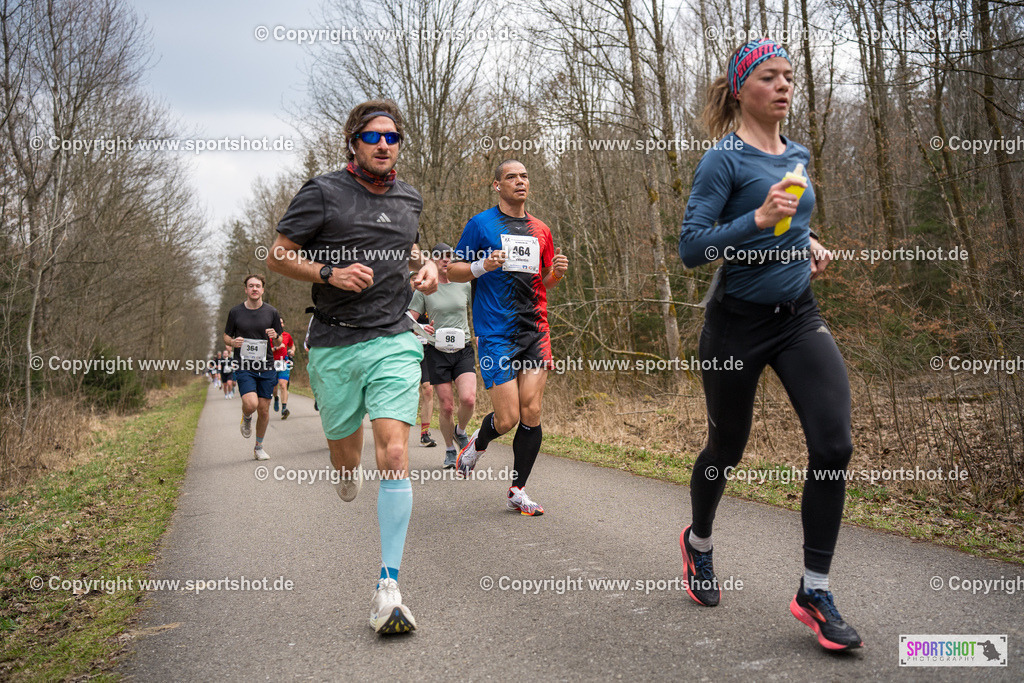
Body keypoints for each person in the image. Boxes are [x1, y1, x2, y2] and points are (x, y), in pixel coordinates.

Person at [677, 39, 862, 651]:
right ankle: (698, 540)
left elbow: (792, 212)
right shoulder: (721, 161)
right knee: (726, 446)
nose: (784, 86)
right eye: (769, 77)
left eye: (788, 76)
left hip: (797, 319)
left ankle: (815, 588)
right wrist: (755, 222)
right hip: (734, 326)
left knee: (834, 442)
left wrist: (805, 240)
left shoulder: (798, 152)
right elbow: (692, 248)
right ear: (740, 89)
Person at [266, 99, 438, 635]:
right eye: (372, 136)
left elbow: (408, 252)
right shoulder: (322, 192)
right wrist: (328, 275)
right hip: (335, 344)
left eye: (392, 137)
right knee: (347, 456)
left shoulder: (410, 198)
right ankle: (344, 473)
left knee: (393, 448)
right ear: (353, 142)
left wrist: (427, 267)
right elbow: (277, 255)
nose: (384, 144)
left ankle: (389, 587)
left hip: (393, 339)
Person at [448, 160, 568, 516]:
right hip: (496, 333)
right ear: (497, 185)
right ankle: (477, 442)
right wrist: (482, 265)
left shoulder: (540, 230)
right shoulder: (481, 225)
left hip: (535, 330)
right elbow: (453, 271)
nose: (520, 181)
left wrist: (556, 275)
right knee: (508, 418)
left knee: (532, 410)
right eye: (511, 177)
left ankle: (518, 490)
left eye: (524, 176)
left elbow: (542, 282)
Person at [408, 243, 475, 469]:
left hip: (463, 349)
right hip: (437, 351)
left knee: (468, 399)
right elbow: (409, 319)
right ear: (433, 262)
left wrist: (482, 335)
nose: (445, 261)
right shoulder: (424, 288)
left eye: (449, 257)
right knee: (446, 406)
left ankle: (460, 431)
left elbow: (479, 310)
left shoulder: (465, 285)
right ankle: (448, 450)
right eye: (440, 257)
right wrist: (421, 328)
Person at [224, 274, 282, 461]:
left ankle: (258, 447)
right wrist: (233, 342)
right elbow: (226, 336)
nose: (254, 289)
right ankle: (247, 416)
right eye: (251, 286)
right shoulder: (235, 312)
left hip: (266, 365)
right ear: (246, 289)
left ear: (263, 289)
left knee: (264, 410)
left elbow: (280, 340)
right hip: (244, 365)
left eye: (258, 286)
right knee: (251, 404)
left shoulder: (272, 312)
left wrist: (275, 336)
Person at [414, 311, 437, 447]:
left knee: (428, 389)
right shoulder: (407, 296)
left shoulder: (435, 296)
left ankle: (424, 434)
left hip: (428, 349)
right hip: (408, 347)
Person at [272, 317, 296, 419]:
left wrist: (292, 351)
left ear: (283, 325)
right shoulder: (269, 337)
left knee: (283, 385)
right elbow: (266, 351)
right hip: (272, 363)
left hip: (284, 362)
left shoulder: (287, 335)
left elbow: (292, 346)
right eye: (278, 322)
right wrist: (277, 348)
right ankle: (276, 398)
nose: (280, 324)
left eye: (281, 322)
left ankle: (284, 409)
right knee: (274, 387)